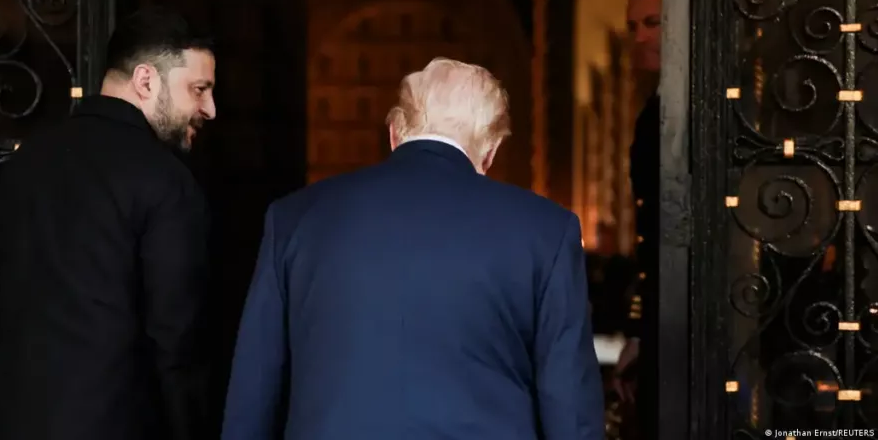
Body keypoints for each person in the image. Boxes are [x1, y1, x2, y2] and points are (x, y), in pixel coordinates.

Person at [221, 58, 604, 440]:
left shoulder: (294, 219)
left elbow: (254, 393)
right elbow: (570, 410)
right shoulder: (547, 231)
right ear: (491, 150)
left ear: (394, 133)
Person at [0, 7, 216, 440]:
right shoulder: (166, 181)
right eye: (199, 89)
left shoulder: (20, 166)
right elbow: (175, 343)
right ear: (146, 80)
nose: (209, 109)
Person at [614, 0, 661, 437]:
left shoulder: (697, 106)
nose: (640, 38)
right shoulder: (656, 109)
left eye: (653, 23)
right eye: (633, 27)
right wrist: (638, 331)